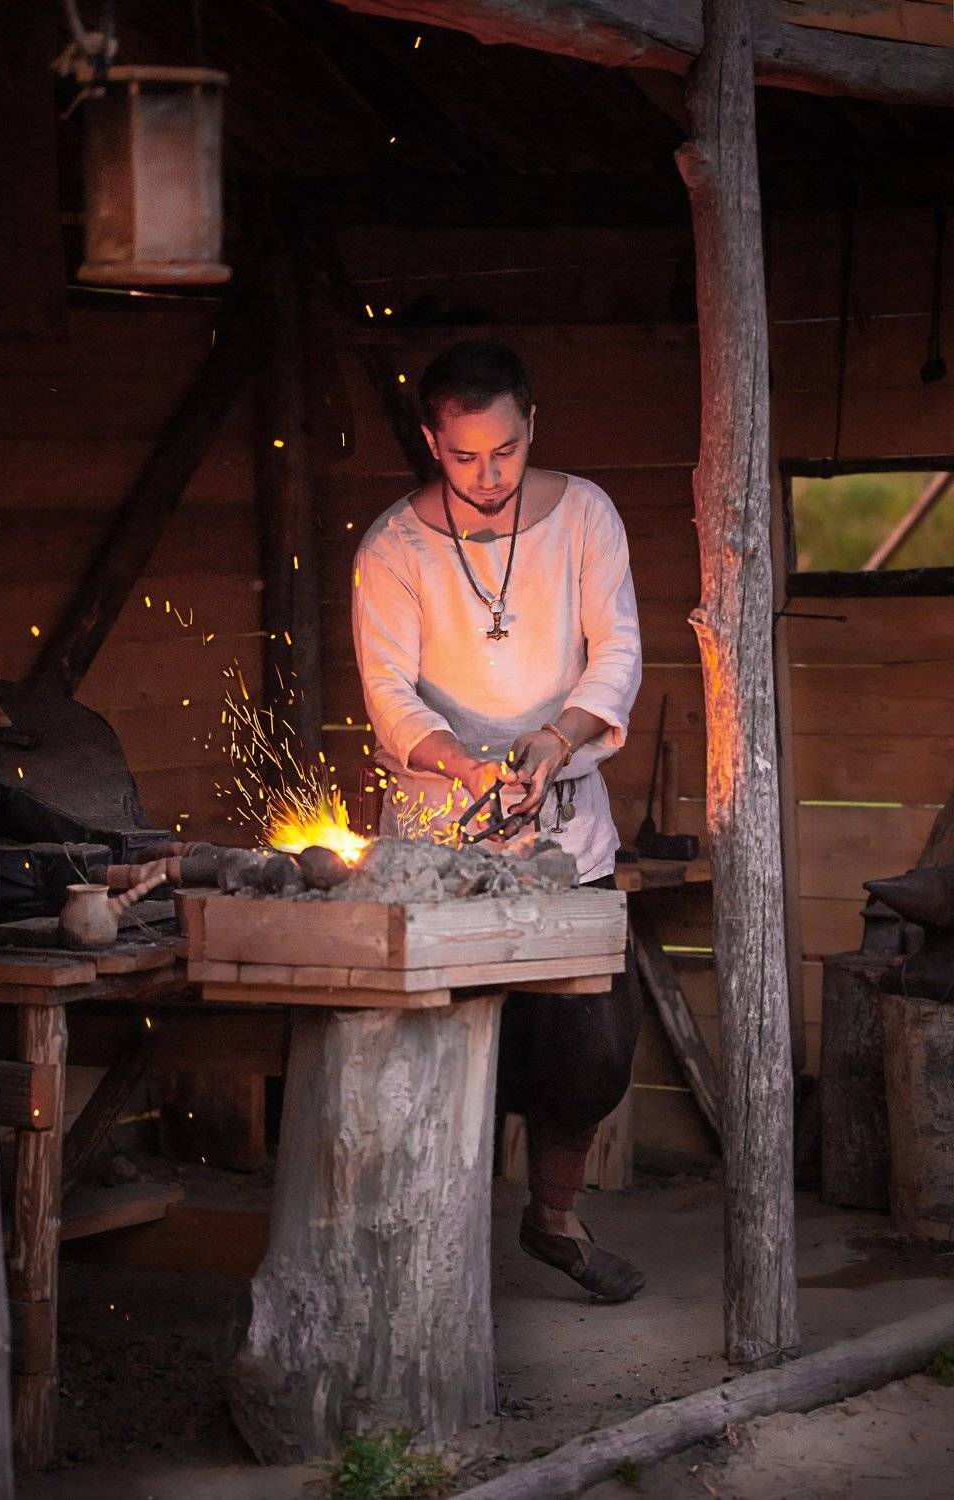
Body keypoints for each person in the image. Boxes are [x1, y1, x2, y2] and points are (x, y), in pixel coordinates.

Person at [351, 339, 644, 1301]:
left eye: (506, 450)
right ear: (432, 441)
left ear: (532, 425)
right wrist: (465, 764)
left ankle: (553, 1216)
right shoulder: (392, 549)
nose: (489, 475)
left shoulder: (587, 515)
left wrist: (556, 741)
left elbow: (617, 653)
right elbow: (390, 696)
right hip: (438, 840)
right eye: (465, 455)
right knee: (438, 1046)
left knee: (593, 1044)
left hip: (565, 829)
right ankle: (433, 1248)